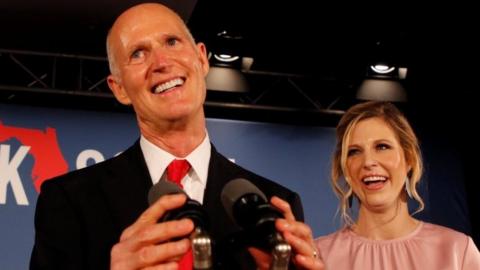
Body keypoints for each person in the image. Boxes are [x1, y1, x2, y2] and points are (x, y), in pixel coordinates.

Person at [30, 3, 307, 269]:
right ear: (119, 89)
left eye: (172, 42)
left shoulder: (272, 203)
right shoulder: (69, 200)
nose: (161, 62)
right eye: (138, 53)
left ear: (201, 58)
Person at [314, 101, 480, 269]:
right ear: (345, 168)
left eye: (382, 147)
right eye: (354, 151)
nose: (368, 162)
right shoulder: (319, 255)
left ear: (409, 159)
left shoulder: (456, 250)